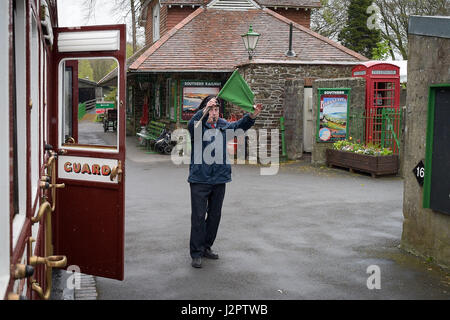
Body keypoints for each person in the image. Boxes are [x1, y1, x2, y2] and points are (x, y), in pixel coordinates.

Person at [187, 95, 263, 268]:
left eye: (216, 109)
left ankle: (206, 247)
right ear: (205, 109)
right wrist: (204, 110)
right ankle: (196, 253)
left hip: (220, 178)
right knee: (198, 217)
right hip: (200, 178)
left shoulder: (222, 125)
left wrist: (251, 116)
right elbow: (191, 125)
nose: (214, 112)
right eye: (211, 109)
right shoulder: (198, 125)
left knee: (214, 216)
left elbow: (238, 127)